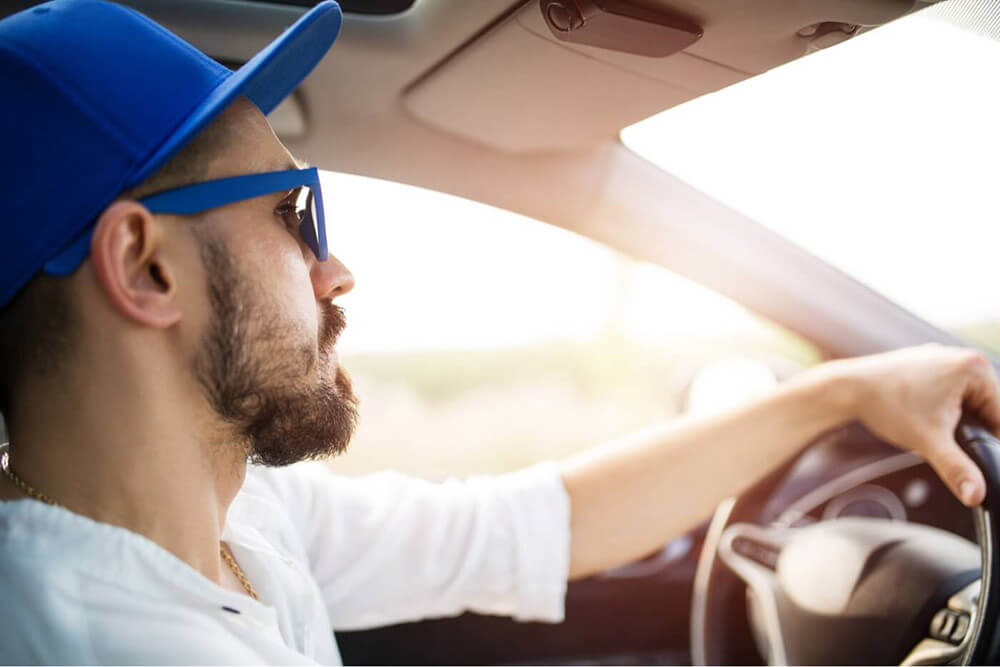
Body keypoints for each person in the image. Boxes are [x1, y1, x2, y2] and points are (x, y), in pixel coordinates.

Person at [0, 1, 997, 664]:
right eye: (291, 213)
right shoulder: (98, 639)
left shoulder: (232, 522)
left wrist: (843, 391)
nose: (334, 267)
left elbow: (518, 525)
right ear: (144, 265)